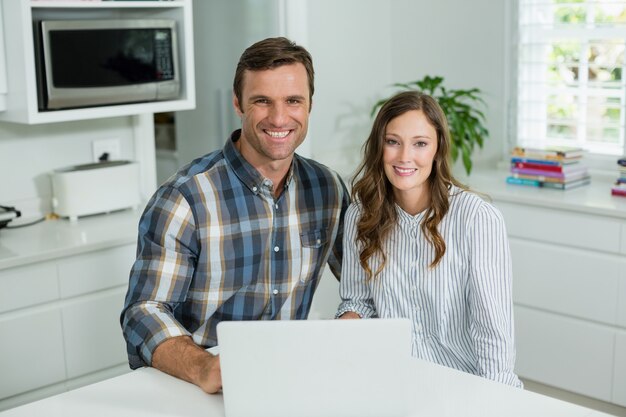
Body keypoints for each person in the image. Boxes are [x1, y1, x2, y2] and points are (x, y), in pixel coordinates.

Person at [121, 37, 349, 394]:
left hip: (286, 380)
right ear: (237, 103)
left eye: (293, 101)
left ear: (309, 106)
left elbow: (365, 281)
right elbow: (143, 312)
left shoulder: (328, 189)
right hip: (197, 386)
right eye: (262, 101)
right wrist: (205, 368)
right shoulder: (185, 197)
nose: (279, 117)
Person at [336, 91, 522, 388]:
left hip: (462, 384)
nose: (404, 157)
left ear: (437, 150)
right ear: (379, 146)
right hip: (389, 379)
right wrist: (343, 329)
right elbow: (359, 300)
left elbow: (493, 332)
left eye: (420, 144)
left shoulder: (476, 218)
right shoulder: (361, 215)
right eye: (392, 141)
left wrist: (495, 399)